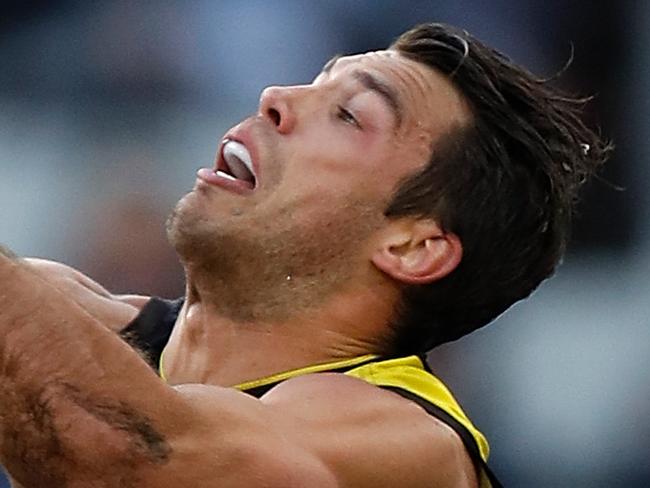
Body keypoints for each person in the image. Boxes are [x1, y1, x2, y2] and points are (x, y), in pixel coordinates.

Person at [0, 23, 609, 487]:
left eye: (348, 115)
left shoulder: (409, 445)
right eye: (316, 82)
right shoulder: (81, 323)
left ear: (413, 246)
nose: (274, 96)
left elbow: (120, 451)